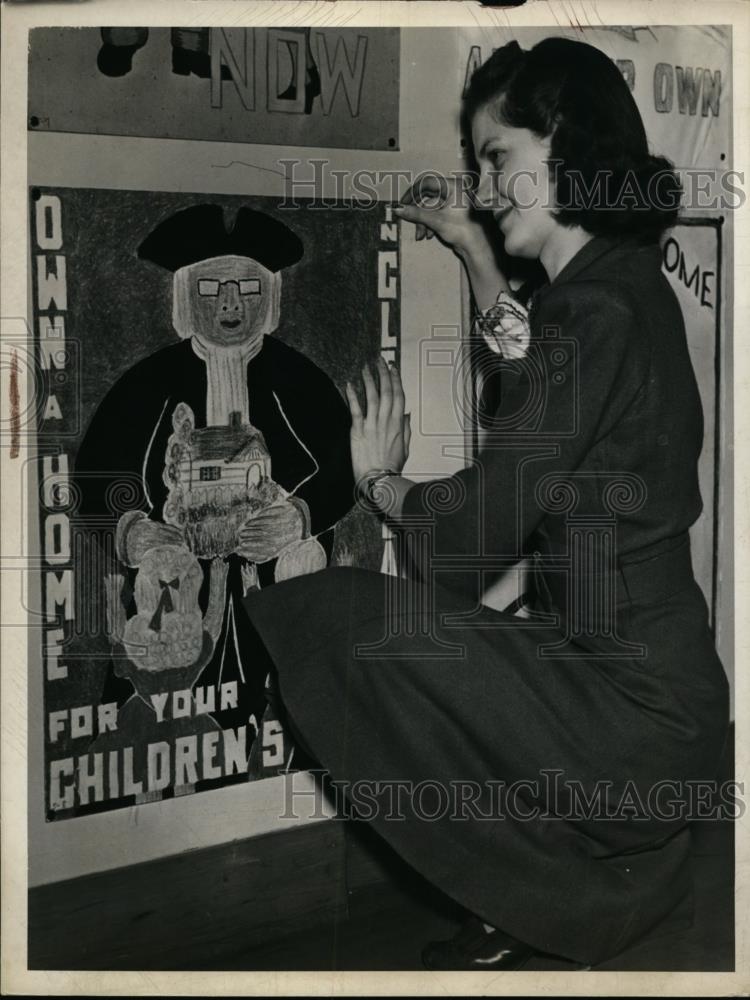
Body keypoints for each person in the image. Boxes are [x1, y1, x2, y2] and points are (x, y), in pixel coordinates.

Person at [240, 37, 730, 968]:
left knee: (322, 619)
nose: (484, 182)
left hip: (631, 721)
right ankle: (601, 886)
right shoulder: (623, 290)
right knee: (463, 644)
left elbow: (467, 545)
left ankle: (576, 894)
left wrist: (381, 479)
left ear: (568, 146)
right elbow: (538, 381)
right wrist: (471, 250)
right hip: (662, 703)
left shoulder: (591, 316)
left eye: (498, 158)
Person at [74, 204, 355, 771]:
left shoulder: (302, 382)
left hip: (275, 588)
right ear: (183, 297)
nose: (230, 304)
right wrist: (136, 532)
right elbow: (97, 474)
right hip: (175, 602)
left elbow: (346, 465)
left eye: (247, 288)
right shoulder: (146, 384)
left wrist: (299, 517)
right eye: (211, 287)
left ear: (270, 297)